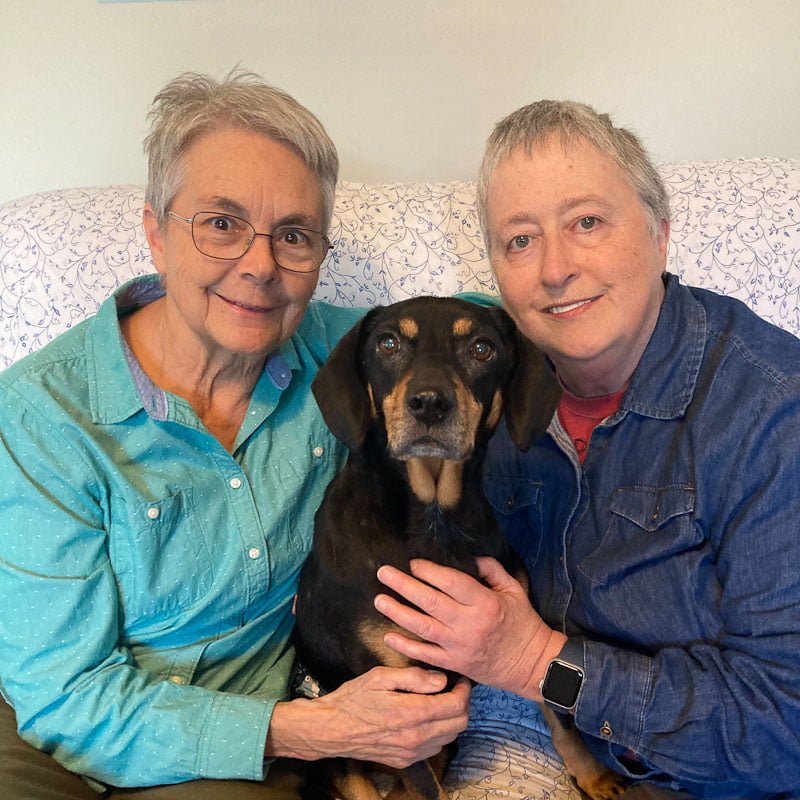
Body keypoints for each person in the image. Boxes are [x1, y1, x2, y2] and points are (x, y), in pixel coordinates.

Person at [0, 70, 470, 798]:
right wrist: (310, 729)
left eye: (293, 235)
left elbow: (498, 326)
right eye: (221, 224)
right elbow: (64, 697)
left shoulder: (346, 359)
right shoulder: (42, 415)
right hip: (47, 723)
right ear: (156, 233)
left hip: (232, 735)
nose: (260, 266)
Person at [375, 100, 800, 799]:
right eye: (519, 240)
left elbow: (784, 731)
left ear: (660, 234)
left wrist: (538, 661)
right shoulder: (484, 390)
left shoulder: (771, 416)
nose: (554, 269)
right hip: (543, 739)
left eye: (587, 222)